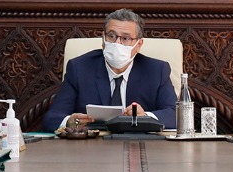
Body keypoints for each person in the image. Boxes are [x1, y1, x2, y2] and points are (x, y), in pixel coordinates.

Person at [43, 9, 177, 132]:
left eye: (125, 38)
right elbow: (52, 118)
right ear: (103, 39)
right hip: (91, 146)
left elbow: (175, 115)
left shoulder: (156, 71)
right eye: (111, 36)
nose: (117, 44)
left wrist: (145, 117)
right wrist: (69, 122)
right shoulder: (79, 68)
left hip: (138, 145)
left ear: (138, 44)